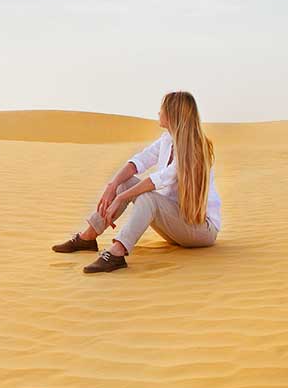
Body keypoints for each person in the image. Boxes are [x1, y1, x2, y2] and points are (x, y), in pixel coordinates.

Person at [52, 91, 222, 273]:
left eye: (162, 109)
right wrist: (113, 186)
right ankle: (87, 237)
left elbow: (159, 179)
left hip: (200, 229)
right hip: (176, 223)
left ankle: (117, 252)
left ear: (172, 114)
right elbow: (140, 160)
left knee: (148, 198)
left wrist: (120, 198)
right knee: (125, 183)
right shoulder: (167, 140)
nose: (158, 113)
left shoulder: (195, 148)